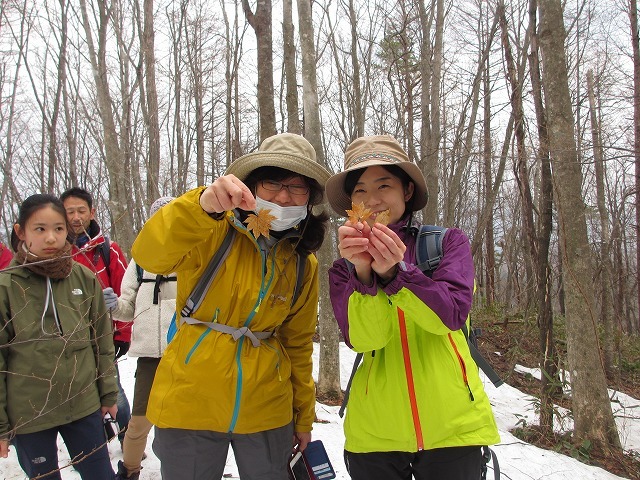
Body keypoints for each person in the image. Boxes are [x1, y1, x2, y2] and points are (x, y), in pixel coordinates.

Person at [131, 133, 331, 480]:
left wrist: (302, 416)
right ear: (252, 185)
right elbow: (150, 254)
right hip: (189, 399)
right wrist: (201, 204)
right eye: (273, 182)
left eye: (298, 187)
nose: (284, 196)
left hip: (268, 407)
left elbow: (297, 344)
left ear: (310, 198)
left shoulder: (303, 262)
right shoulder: (210, 229)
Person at [326, 135, 500, 480]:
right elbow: (366, 339)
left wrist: (396, 273)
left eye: (383, 185)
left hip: (453, 430)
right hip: (374, 437)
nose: (371, 200)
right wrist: (363, 272)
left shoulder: (446, 243)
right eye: (359, 190)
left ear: (407, 190)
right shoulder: (342, 269)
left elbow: (449, 317)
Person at [0, 194, 118, 480]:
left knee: (101, 474)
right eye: (40, 229)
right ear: (21, 232)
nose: (51, 238)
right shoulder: (7, 286)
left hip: (83, 404)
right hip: (31, 413)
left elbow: (101, 342)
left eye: (59, 229)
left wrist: (108, 393)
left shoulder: (84, 278)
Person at [106, 196, 177, 480]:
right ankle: (129, 471)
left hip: (185, 353)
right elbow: (126, 309)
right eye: (158, 217)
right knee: (138, 423)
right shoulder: (140, 261)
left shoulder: (194, 255)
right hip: (149, 354)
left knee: (181, 424)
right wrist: (112, 306)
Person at [60, 186, 131, 446]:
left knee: (114, 391)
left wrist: (122, 334)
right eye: (70, 212)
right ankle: (92, 441)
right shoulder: (56, 253)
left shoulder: (107, 250)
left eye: (81, 211)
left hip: (103, 336)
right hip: (65, 338)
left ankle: (127, 438)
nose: (76, 217)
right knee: (77, 394)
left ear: (92, 212)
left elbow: (125, 295)